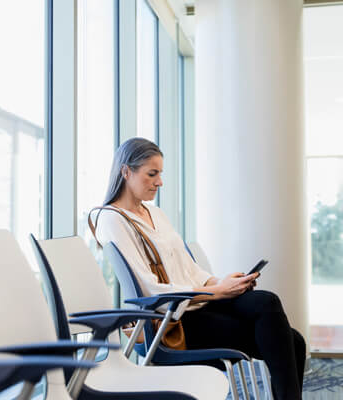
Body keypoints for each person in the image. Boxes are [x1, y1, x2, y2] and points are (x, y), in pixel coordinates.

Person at [92, 137, 306, 400]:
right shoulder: (111, 219)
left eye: (160, 173)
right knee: (291, 341)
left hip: (197, 304)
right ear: (126, 172)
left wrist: (222, 283)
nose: (160, 182)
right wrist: (218, 292)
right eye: (152, 174)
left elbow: (188, 268)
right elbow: (148, 289)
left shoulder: (154, 213)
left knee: (268, 305)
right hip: (173, 320)